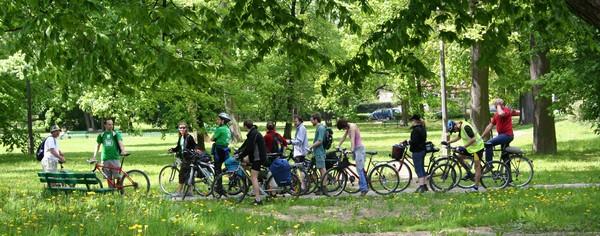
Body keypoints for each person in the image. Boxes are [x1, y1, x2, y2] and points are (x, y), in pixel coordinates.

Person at [445, 120, 485, 191]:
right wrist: (448, 142)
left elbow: (473, 139)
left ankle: (476, 187)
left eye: (454, 130)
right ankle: (469, 171)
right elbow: (458, 137)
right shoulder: (460, 127)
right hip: (471, 148)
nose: (455, 131)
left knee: (477, 166)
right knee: (459, 157)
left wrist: (464, 147)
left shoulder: (465, 127)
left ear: (455, 125)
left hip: (477, 148)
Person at [336, 118, 368, 195]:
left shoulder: (352, 127)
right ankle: (366, 183)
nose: (344, 130)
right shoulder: (348, 127)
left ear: (344, 126)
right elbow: (344, 137)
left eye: (343, 128)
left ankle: (364, 189)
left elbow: (352, 140)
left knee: (359, 169)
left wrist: (351, 150)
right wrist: (338, 145)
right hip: (356, 149)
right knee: (360, 168)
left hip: (359, 149)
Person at [238, 120, 267, 205]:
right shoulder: (253, 132)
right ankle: (258, 178)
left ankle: (258, 200)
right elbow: (246, 144)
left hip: (257, 158)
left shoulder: (253, 134)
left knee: (253, 177)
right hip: (255, 157)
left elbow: (249, 148)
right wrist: (240, 151)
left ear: (245, 126)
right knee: (244, 163)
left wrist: (241, 155)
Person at [92, 119, 128, 188]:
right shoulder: (101, 135)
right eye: (109, 124)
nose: (111, 126)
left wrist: (123, 151)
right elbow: (97, 146)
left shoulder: (116, 134)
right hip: (105, 159)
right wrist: (94, 156)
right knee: (108, 178)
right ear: (105, 125)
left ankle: (120, 186)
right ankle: (111, 191)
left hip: (114, 158)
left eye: (112, 124)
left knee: (117, 176)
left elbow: (120, 143)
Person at [168, 122, 198, 197]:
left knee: (181, 174)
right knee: (188, 175)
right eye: (180, 128)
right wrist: (172, 149)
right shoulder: (181, 137)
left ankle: (179, 192)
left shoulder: (189, 137)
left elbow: (195, 146)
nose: (182, 129)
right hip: (185, 158)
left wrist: (191, 151)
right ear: (178, 129)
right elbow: (178, 147)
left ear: (186, 129)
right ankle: (190, 191)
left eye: (184, 127)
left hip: (189, 158)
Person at [482, 98, 514, 166]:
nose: (496, 106)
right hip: (502, 136)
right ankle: (508, 175)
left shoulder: (506, 110)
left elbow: (501, 113)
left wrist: (499, 105)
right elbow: (489, 126)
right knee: (505, 156)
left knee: (489, 143)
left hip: (507, 135)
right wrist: (482, 136)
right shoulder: (496, 114)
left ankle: (489, 165)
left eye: (497, 105)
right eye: (496, 105)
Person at [287, 115, 309, 191]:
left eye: (296, 121)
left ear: (300, 121)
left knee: (300, 170)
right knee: (299, 169)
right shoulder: (299, 128)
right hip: (298, 151)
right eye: (294, 121)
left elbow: (299, 141)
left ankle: (303, 187)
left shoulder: (301, 128)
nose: (294, 123)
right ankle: (302, 186)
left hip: (300, 152)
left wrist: (290, 142)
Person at [211, 112, 232, 194]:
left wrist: (215, 138)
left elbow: (212, 139)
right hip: (226, 150)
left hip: (219, 151)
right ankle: (232, 182)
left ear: (222, 121)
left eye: (218, 119)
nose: (217, 121)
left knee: (217, 169)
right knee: (229, 166)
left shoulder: (219, 129)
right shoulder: (227, 129)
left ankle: (219, 188)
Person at [407, 115, 428, 193]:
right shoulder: (422, 128)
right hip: (422, 150)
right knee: (422, 168)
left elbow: (415, 141)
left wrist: (408, 142)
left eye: (412, 121)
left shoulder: (416, 130)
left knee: (418, 169)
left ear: (415, 121)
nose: (411, 123)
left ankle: (421, 186)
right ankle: (425, 185)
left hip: (417, 151)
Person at [310, 113, 327, 194]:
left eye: (312, 120)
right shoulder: (319, 127)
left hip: (320, 152)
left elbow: (320, 141)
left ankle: (324, 188)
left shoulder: (320, 128)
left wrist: (311, 146)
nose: (311, 122)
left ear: (316, 120)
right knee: (321, 170)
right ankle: (322, 187)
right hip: (318, 152)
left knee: (322, 170)